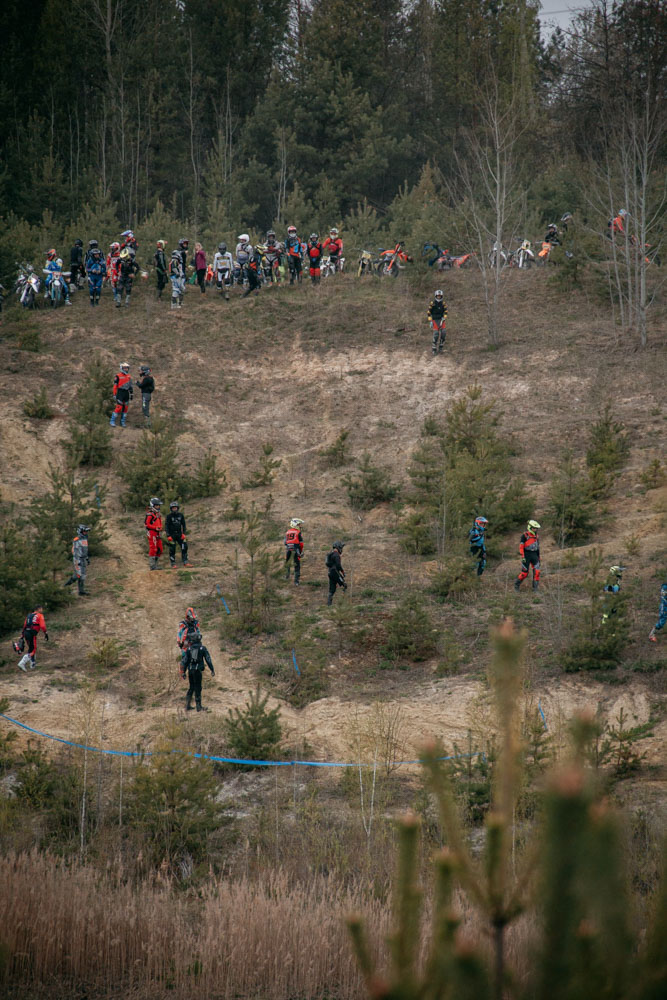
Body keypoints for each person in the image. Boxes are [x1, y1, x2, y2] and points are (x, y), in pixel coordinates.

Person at [181, 628, 214, 712]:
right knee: (198, 687)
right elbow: (208, 659)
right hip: (197, 670)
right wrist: (212, 669)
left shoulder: (189, 649)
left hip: (190, 671)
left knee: (191, 687)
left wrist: (183, 672)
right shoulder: (202, 648)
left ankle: (187, 705)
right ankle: (198, 706)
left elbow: (185, 661)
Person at [16, 605, 48, 672]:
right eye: (41, 609)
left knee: (31, 648)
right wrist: (45, 633)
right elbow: (42, 626)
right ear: (38, 609)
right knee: (33, 649)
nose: (42, 610)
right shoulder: (40, 615)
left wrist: (22, 635)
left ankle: (32, 664)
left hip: (26, 633)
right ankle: (22, 663)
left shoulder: (29, 615)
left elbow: (24, 625)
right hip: (32, 633)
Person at [64, 524, 90, 596]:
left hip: (83, 559)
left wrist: (87, 558)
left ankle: (81, 591)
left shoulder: (85, 539)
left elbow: (85, 550)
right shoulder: (76, 540)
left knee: (83, 576)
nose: (86, 533)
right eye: (84, 531)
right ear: (80, 531)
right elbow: (75, 552)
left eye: (86, 531)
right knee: (77, 575)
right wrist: (77, 562)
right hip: (77, 559)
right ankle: (65, 586)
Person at [514, 520, 541, 591]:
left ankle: (535, 589)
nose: (535, 530)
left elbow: (538, 547)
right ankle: (516, 585)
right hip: (526, 554)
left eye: (536, 528)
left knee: (537, 572)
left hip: (534, 554)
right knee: (525, 573)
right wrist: (522, 556)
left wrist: (539, 557)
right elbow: (521, 546)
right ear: (530, 527)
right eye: (534, 528)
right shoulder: (525, 535)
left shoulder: (537, 536)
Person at [166, 500, 191, 567]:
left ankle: (185, 562)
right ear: (171, 509)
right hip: (172, 535)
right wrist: (168, 535)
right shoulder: (169, 516)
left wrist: (184, 534)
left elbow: (184, 525)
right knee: (172, 549)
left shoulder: (181, 515)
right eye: (173, 508)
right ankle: (173, 563)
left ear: (177, 508)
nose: (174, 509)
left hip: (180, 535)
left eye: (175, 508)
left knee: (184, 547)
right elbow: (166, 526)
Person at [110, 362, 133, 427]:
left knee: (125, 408)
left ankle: (122, 422)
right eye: (125, 368)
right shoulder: (118, 376)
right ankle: (112, 421)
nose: (126, 369)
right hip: (120, 393)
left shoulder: (129, 376)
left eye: (127, 368)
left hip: (126, 393)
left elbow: (130, 386)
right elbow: (115, 386)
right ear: (122, 368)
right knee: (119, 407)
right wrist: (114, 394)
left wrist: (131, 394)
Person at [145, 497, 163, 570]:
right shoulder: (150, 514)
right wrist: (155, 528)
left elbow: (160, 523)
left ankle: (156, 564)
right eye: (156, 505)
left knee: (160, 549)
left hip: (157, 532)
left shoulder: (158, 514)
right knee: (153, 548)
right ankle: (152, 565)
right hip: (152, 532)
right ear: (153, 505)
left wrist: (160, 527)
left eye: (158, 505)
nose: (158, 507)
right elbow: (147, 524)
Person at [326, 540, 347, 605]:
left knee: (332, 589)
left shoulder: (330, 554)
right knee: (344, 585)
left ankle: (329, 604)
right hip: (335, 572)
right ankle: (344, 603)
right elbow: (338, 565)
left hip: (330, 573)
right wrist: (343, 572)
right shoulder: (336, 555)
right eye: (341, 547)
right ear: (338, 547)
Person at [284, 518, 304, 585]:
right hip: (296, 550)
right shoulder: (298, 532)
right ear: (295, 524)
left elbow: (285, 542)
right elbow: (301, 544)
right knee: (297, 565)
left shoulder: (287, 532)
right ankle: (296, 581)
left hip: (288, 550)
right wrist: (300, 552)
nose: (300, 526)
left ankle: (286, 577)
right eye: (299, 524)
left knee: (287, 564)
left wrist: (289, 546)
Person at [427, 289, 448, 355]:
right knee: (436, 334)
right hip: (434, 320)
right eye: (438, 296)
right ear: (436, 296)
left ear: (441, 296)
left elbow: (446, 311)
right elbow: (428, 312)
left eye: (440, 296)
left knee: (443, 333)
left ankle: (441, 347)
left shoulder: (443, 303)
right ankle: (434, 348)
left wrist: (444, 317)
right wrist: (430, 320)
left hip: (441, 320)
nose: (439, 297)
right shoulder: (432, 303)